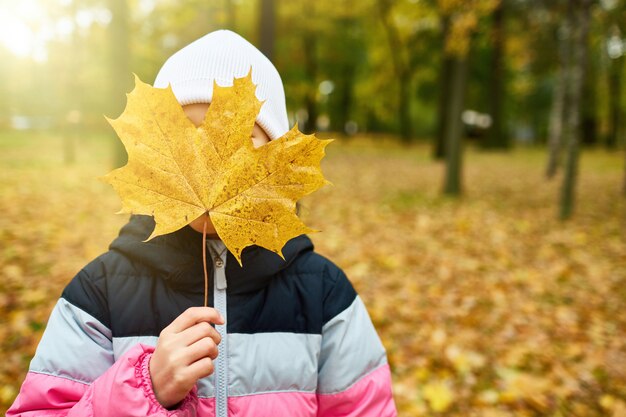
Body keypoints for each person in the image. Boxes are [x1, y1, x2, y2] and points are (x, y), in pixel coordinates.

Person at [7, 30, 397, 417]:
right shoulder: (99, 294)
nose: (211, 164)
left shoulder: (324, 295)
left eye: (243, 140)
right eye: (190, 134)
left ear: (277, 163)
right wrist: (145, 388)